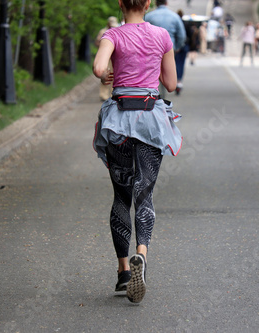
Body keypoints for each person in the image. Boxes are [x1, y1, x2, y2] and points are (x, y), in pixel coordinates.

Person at [93, 0, 182, 303]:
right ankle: (141, 254)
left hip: (118, 121)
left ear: (120, 3)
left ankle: (122, 274)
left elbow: (98, 68)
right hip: (150, 121)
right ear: (147, 4)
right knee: (144, 193)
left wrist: (109, 74)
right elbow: (170, 82)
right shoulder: (161, 36)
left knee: (121, 196)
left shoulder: (112, 35)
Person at [145, 0, 186, 97]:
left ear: (156, 3)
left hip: (151, 48)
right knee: (168, 71)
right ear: (166, 3)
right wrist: (177, 47)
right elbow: (182, 35)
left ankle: (154, 93)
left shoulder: (149, 16)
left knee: (153, 72)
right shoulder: (175, 16)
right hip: (169, 48)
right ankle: (162, 97)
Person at [95, 16, 119, 101]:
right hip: (106, 56)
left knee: (114, 74)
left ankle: (113, 93)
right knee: (104, 73)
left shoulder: (118, 30)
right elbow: (97, 42)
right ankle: (103, 94)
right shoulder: (103, 31)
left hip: (114, 56)